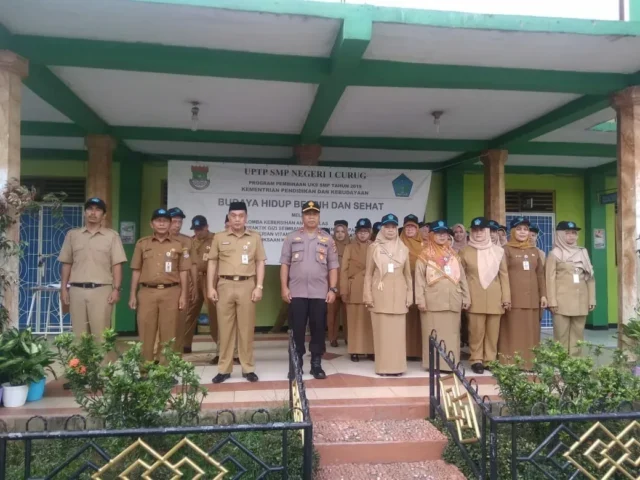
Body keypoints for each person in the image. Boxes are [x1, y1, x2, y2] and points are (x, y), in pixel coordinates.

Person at [59, 198, 127, 388]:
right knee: (79, 335)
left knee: (101, 335)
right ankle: (79, 375)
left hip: (102, 290)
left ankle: (103, 376)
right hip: (77, 290)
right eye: (90, 209)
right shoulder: (73, 235)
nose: (93, 212)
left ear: (104, 215)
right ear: (85, 212)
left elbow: (117, 264)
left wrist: (116, 288)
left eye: (98, 210)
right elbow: (66, 263)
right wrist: (64, 288)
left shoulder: (111, 236)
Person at [208, 202, 266, 383]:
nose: (237, 219)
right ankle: (224, 368)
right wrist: (210, 286)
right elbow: (212, 262)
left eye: (241, 216)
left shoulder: (255, 237)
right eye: (234, 215)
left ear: (246, 218)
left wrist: (259, 286)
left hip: (247, 285)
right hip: (224, 285)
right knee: (224, 330)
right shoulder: (219, 237)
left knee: (246, 329)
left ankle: (248, 367)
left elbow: (260, 262)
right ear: (228, 217)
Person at [280, 201, 339, 379]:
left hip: (319, 293)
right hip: (296, 292)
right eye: (308, 214)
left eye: (314, 213)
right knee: (296, 329)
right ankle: (296, 363)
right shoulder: (291, 238)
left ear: (319, 216)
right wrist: (284, 287)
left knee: (318, 329)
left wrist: (333, 289)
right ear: (302, 216)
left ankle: (316, 363)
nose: (311, 217)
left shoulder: (327, 239)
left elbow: (333, 267)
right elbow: (285, 264)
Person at [129, 208, 189, 363]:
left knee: (168, 333)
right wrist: (132, 295)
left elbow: (183, 271)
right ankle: (145, 369)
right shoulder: (142, 244)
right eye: (158, 220)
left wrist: (183, 295)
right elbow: (136, 270)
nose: (162, 224)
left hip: (171, 292)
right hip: (147, 292)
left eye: (165, 221)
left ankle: (165, 371)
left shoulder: (178, 245)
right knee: (146, 333)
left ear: (170, 224)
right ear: (152, 224)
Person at [415, 220, 470, 371]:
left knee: (452, 333)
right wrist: (420, 299)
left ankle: (451, 363)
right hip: (432, 301)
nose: (441, 236)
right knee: (432, 332)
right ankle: (432, 364)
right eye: (438, 233)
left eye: (444, 233)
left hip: (453, 299)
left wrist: (466, 297)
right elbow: (419, 280)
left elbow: (462, 278)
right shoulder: (424, 255)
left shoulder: (453, 255)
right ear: (431, 235)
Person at [459, 217, 511, 374]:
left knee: (493, 331)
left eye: (481, 230)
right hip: (475, 296)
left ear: (488, 231)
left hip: (495, 296)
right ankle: (476, 359)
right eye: (475, 230)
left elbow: (504, 276)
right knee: (476, 331)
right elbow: (460, 277)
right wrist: (464, 297)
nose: (478, 233)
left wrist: (506, 298)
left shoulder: (498, 251)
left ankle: (490, 359)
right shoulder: (465, 251)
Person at [363, 214, 413, 376]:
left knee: (398, 334)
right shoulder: (374, 248)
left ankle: (398, 367)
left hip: (399, 295)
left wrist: (410, 295)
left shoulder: (404, 248)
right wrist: (367, 295)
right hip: (380, 295)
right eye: (387, 227)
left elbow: (407, 275)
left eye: (393, 227)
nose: (390, 230)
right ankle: (383, 367)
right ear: (382, 228)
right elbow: (369, 274)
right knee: (382, 333)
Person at [498, 217, 547, 369]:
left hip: (532, 299)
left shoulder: (534, 251)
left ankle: (530, 363)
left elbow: (540, 274)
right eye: (519, 229)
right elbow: (502, 274)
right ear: (512, 231)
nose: (522, 232)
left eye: (525, 229)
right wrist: (506, 297)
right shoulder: (505, 250)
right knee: (513, 331)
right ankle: (510, 362)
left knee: (531, 332)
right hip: (514, 299)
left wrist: (543, 295)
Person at [545, 221, 595, 357]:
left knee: (578, 334)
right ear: (560, 235)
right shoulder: (554, 254)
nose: (571, 236)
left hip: (581, 299)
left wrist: (592, 298)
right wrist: (552, 300)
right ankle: (559, 363)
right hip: (561, 301)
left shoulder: (582, 252)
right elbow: (549, 279)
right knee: (561, 335)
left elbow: (590, 276)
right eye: (567, 233)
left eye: (574, 233)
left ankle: (575, 364)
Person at [183, 215, 218, 359]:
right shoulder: (191, 241)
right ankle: (185, 344)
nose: (198, 232)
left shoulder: (215, 239)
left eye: (200, 229)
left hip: (210, 279)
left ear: (207, 227)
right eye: (196, 229)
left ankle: (220, 346)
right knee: (189, 311)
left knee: (214, 313)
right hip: (194, 279)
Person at [340, 218, 374, 362]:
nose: (362, 235)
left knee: (369, 321)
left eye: (365, 231)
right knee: (354, 321)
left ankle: (370, 350)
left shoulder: (375, 247)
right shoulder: (349, 247)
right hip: (354, 288)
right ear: (356, 233)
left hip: (370, 288)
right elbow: (344, 270)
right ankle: (354, 350)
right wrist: (343, 290)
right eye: (360, 232)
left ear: (370, 233)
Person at [167, 207, 198, 355]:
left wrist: (195, 286)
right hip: (165, 286)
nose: (177, 225)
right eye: (174, 221)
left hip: (182, 287)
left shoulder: (187, 240)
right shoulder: (159, 239)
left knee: (180, 323)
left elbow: (192, 265)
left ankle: (176, 355)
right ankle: (158, 356)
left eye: (180, 222)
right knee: (163, 324)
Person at [399, 214, 423, 360]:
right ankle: (404, 350)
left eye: (413, 227)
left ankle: (416, 351)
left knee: (417, 318)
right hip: (402, 284)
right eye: (407, 227)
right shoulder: (397, 243)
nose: (409, 230)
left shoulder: (424, 245)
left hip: (419, 284)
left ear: (417, 229)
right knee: (404, 317)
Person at [327, 220, 350, 347]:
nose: (340, 234)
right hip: (333, 284)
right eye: (337, 232)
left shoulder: (351, 245)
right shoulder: (329, 245)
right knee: (332, 314)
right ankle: (332, 337)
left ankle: (348, 337)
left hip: (346, 284)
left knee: (348, 314)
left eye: (342, 232)